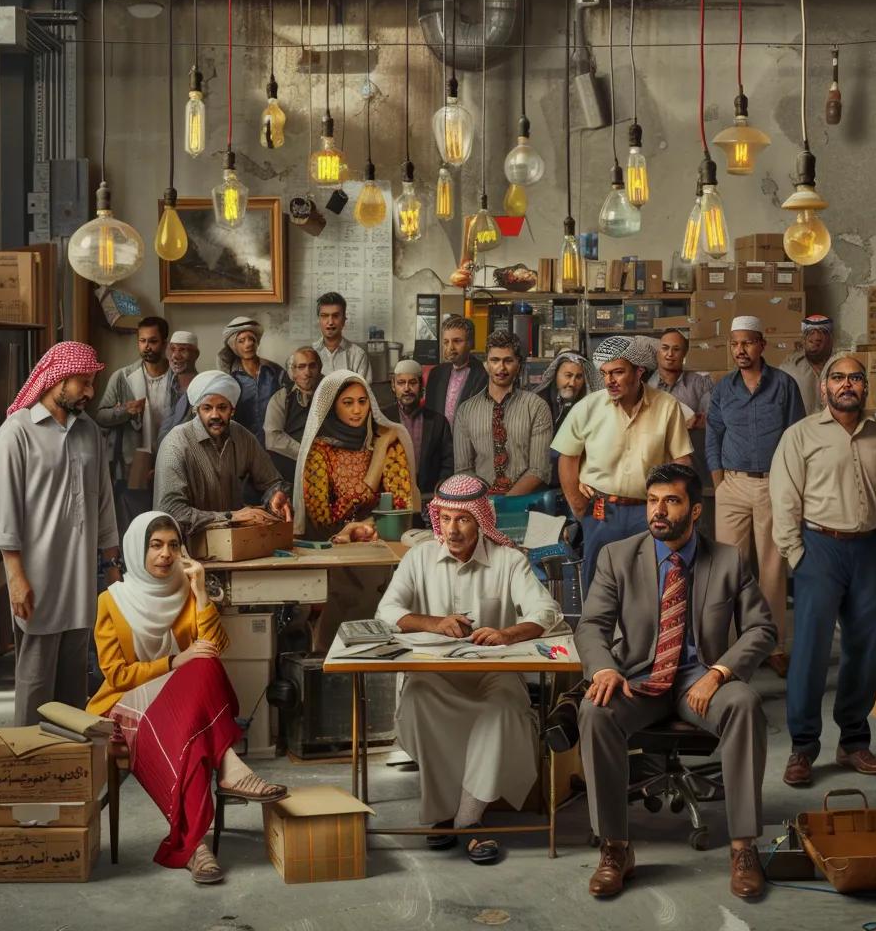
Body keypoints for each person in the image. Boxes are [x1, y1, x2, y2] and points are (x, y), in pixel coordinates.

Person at [576, 463, 776, 900]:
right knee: (594, 711)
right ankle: (615, 847)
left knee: (743, 703)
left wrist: (721, 673)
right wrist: (605, 668)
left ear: (696, 510)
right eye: (652, 500)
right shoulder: (617, 556)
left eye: (671, 500)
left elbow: (762, 628)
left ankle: (743, 847)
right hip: (639, 679)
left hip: (700, 679)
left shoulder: (728, 559)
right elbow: (591, 625)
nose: (658, 511)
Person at [87, 511, 287, 884]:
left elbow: (216, 646)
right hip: (128, 702)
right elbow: (116, 675)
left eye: (173, 545)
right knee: (194, 683)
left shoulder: (185, 591)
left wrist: (198, 590)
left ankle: (195, 846)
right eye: (155, 545)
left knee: (204, 668)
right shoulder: (111, 602)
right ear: (137, 549)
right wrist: (176, 660)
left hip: (184, 702)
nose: (165, 554)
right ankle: (228, 770)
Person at [376, 475, 565, 865]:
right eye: (444, 519)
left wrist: (506, 633)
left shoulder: (508, 560)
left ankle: (467, 819)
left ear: (480, 520)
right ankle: (445, 815)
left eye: (462, 520)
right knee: (417, 701)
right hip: (435, 673)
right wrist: (434, 623)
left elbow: (546, 612)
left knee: (503, 710)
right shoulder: (420, 558)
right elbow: (387, 611)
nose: (452, 529)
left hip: (493, 674)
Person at [770, 352, 876, 786]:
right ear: (825, 387)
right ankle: (803, 747)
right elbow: (785, 499)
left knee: (863, 652)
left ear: (866, 387)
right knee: (810, 653)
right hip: (819, 550)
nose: (847, 384)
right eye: (838, 378)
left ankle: (853, 741)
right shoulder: (800, 435)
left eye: (855, 378)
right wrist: (797, 554)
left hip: (872, 552)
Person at [0, 342, 120, 726]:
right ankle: (29, 770)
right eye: (84, 382)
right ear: (57, 378)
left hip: (80, 582)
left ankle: (69, 770)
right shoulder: (16, 434)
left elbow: (103, 504)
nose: (90, 392)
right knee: (36, 684)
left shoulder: (90, 432)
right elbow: (5, 512)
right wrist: (15, 577)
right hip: (37, 581)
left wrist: (113, 569)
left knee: (73, 688)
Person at [553, 335, 693, 593]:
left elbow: (682, 461)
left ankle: (643, 635)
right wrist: (578, 505)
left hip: (650, 512)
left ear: (639, 371)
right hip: (600, 512)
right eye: (605, 373)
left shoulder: (666, 407)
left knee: (649, 587)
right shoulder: (588, 407)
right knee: (598, 589)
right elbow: (568, 458)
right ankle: (597, 635)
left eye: (618, 372)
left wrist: (677, 507)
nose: (610, 381)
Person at [706, 316, 805, 678]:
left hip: (773, 485)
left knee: (773, 568)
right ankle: (732, 648)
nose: (740, 350)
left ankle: (773, 644)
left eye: (747, 343)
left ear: (762, 345)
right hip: (731, 484)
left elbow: (797, 437)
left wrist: (791, 484)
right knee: (729, 566)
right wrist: (719, 481)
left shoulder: (784, 386)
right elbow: (713, 433)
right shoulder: (722, 388)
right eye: (734, 344)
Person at [294, 369, 420, 646]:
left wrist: (367, 525)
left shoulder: (388, 438)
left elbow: (401, 505)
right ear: (331, 406)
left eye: (363, 401)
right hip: (335, 552)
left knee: (382, 618)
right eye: (347, 402)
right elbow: (324, 518)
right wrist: (376, 462)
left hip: (380, 549)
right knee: (340, 622)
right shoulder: (320, 451)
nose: (357, 410)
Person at [153, 370, 293, 540]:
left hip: (234, 545)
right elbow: (171, 511)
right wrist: (231, 517)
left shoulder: (242, 437)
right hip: (186, 550)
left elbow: (272, 482)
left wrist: (275, 496)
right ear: (196, 410)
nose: (215, 415)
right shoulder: (176, 443)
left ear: (232, 410)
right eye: (207, 408)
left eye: (222, 407)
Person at [95, 316, 171, 535]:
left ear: (164, 342)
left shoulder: (177, 379)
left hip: (169, 462)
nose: (146, 347)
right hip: (132, 466)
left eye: (153, 341)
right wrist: (124, 411)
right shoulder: (122, 377)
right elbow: (101, 416)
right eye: (142, 341)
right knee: (133, 530)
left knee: (165, 529)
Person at [453, 330, 551, 496]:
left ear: (518, 364)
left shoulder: (536, 407)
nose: (501, 367)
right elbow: (463, 470)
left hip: (526, 503)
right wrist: (485, 502)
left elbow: (539, 470)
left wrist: (505, 502)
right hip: (481, 504)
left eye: (508, 361)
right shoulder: (466, 411)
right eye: (495, 360)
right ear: (486, 364)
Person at [383, 358, 454, 498]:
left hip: (429, 498)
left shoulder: (438, 422)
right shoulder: (382, 420)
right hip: (390, 500)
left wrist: (440, 491)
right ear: (393, 386)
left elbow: (448, 464)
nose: (407, 388)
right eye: (401, 383)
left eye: (412, 382)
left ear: (422, 385)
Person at [535, 351, 602, 488]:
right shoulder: (537, 403)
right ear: (555, 375)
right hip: (539, 481)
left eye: (578, 377)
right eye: (568, 375)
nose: (572, 383)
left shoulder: (590, 405)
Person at [217, 316, 287, 445]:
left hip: (275, 445)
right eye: (241, 341)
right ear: (234, 346)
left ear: (257, 342)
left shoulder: (275, 371)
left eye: (251, 339)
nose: (248, 344)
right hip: (242, 443)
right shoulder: (229, 378)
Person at [264, 347, 323, 484]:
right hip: (290, 467)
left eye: (312, 366)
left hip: (324, 465)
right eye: (301, 367)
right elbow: (273, 439)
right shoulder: (281, 398)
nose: (307, 372)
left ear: (319, 369)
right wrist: (306, 454)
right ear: (293, 372)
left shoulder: (330, 395)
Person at [424, 316, 488, 426]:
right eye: (446, 342)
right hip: (440, 441)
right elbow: (429, 417)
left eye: (457, 341)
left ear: (470, 343)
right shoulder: (436, 374)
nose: (450, 347)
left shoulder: (484, 374)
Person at [647, 329, 714, 429]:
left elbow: (714, 420)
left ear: (684, 354)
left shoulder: (700, 384)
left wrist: (701, 422)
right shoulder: (644, 384)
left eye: (676, 349)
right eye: (665, 348)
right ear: (658, 352)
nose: (670, 354)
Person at [779, 314, 834, 416]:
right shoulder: (788, 369)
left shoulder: (842, 365)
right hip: (801, 430)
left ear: (831, 340)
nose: (814, 339)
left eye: (822, 333)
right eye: (809, 333)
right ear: (803, 340)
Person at [312, 292, 372, 381]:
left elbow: (364, 391)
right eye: (324, 316)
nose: (330, 322)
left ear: (344, 320)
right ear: (319, 320)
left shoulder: (358, 355)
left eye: (335, 316)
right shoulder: (311, 353)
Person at [157, 330, 200, 447]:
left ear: (196, 355)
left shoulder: (202, 388)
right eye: (172, 349)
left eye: (182, 350)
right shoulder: (166, 386)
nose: (175, 355)